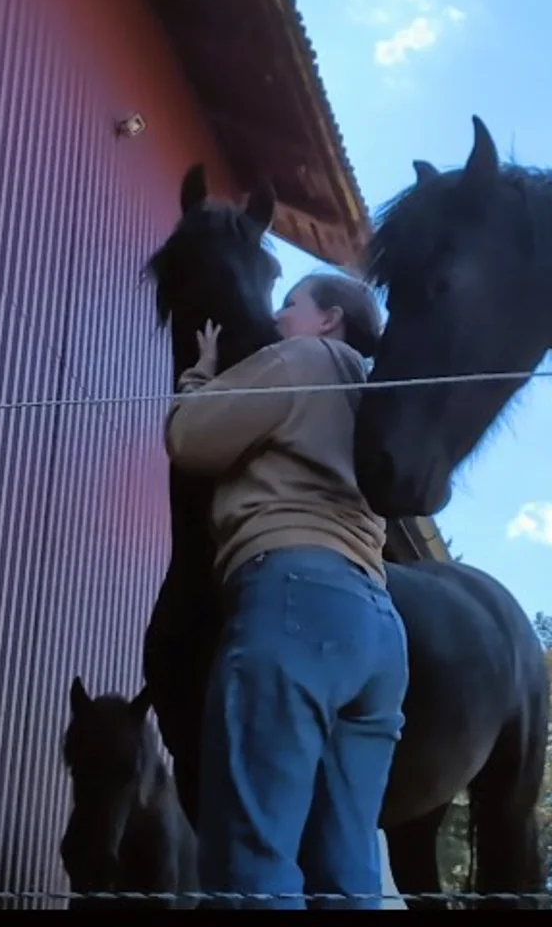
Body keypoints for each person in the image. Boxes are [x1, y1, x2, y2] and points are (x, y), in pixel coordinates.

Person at [163, 271, 408, 911]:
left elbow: (190, 440)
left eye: (291, 304)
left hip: (296, 597)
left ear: (329, 319)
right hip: (378, 626)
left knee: (255, 858)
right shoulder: (377, 392)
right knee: (348, 871)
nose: (276, 318)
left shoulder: (301, 357)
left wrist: (200, 375)